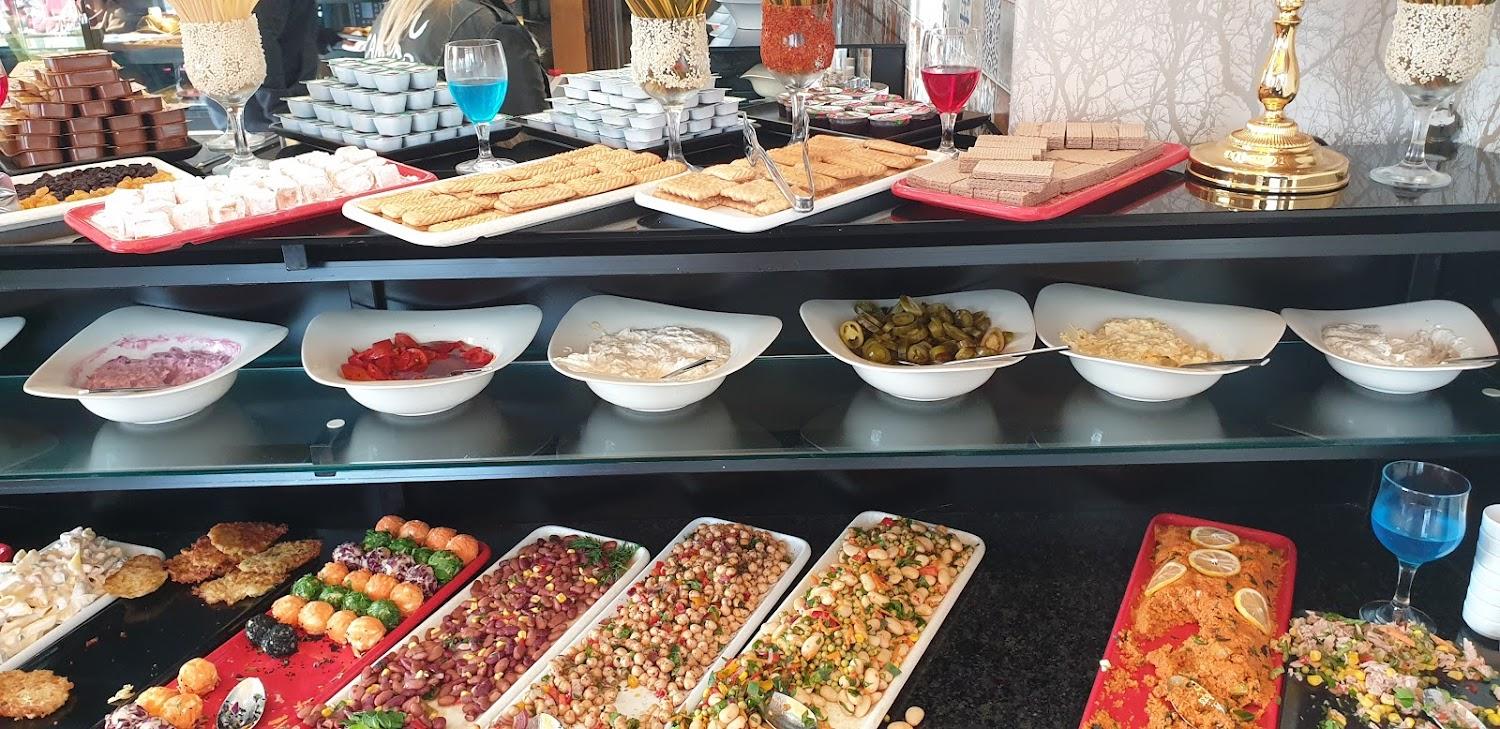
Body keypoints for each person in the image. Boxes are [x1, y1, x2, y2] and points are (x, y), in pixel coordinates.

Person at [364, 0, 549, 116]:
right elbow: (529, 130)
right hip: (477, 164)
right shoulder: (490, 27)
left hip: (404, 164)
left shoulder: (394, 14)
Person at [203, 0, 319, 144]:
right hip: (261, 114)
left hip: (268, 109)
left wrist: (332, 38)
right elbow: (260, 36)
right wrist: (279, 109)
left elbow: (295, 28)